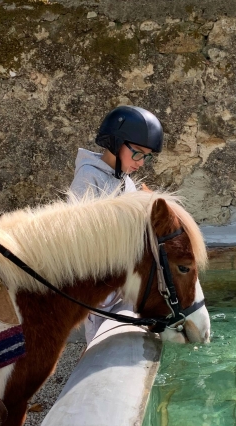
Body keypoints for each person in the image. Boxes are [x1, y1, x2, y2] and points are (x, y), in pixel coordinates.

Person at [69, 105, 163, 343]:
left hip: (123, 286)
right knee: (99, 345)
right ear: (116, 142)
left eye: (147, 156)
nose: (142, 163)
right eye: (138, 153)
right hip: (99, 289)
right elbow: (78, 239)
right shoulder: (88, 179)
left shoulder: (126, 182)